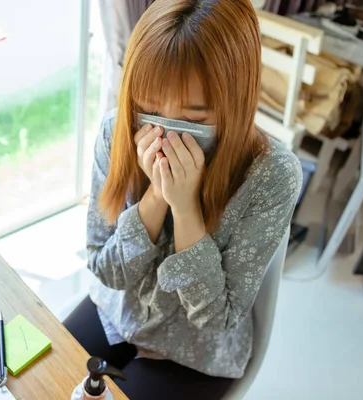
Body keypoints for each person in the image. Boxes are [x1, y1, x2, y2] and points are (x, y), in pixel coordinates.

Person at [64, 0, 302, 398]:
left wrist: (185, 206)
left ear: (236, 103)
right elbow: (106, 270)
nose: (167, 136)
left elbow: (216, 318)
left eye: (192, 120)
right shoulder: (115, 130)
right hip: (117, 313)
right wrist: (156, 196)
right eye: (150, 110)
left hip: (196, 354)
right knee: (37, 381)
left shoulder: (272, 174)